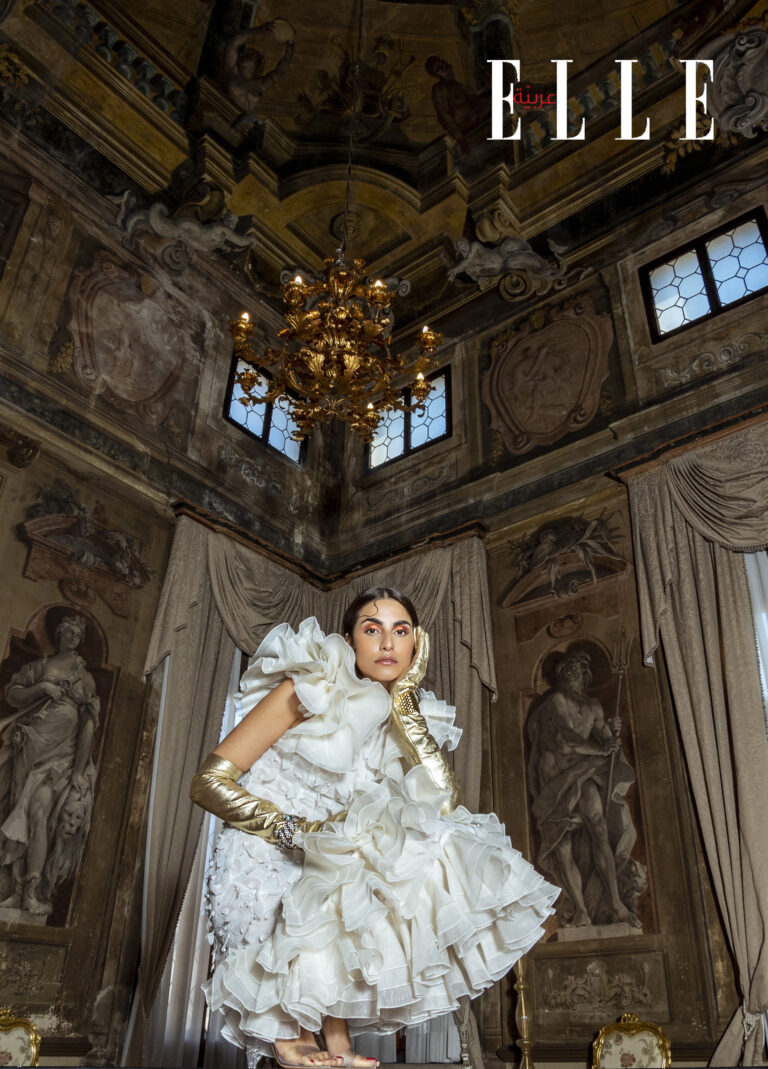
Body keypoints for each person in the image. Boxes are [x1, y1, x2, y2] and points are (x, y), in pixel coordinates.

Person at [191, 588, 558, 1068]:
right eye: (372, 629)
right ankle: (294, 1034)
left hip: (330, 866)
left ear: (416, 645)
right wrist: (297, 832)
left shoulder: (405, 714)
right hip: (265, 855)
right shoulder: (308, 688)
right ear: (349, 642)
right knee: (322, 890)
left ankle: (335, 1036)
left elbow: (446, 806)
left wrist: (404, 702)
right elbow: (208, 783)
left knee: (434, 840)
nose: (387, 643)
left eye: (400, 631)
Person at [526, 651, 643, 929]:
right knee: (562, 846)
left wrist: (613, 734)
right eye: (567, 667)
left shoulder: (593, 706)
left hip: (581, 772)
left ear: (585, 675)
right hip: (554, 777)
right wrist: (601, 749)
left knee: (599, 828)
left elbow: (605, 739)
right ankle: (580, 911)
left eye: (576, 668)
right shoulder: (556, 700)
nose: (571, 671)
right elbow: (570, 737)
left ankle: (616, 905)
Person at [0, 614, 99, 917]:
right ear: (58, 634)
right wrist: (42, 687)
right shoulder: (41, 666)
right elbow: (13, 695)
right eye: (68, 632)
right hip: (30, 747)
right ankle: (13, 888)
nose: (72, 638)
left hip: (60, 758)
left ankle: (30, 890)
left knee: (39, 810)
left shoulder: (85, 677)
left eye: (77, 635)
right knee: (17, 812)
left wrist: (78, 770)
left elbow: (88, 724)